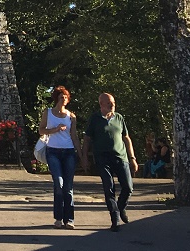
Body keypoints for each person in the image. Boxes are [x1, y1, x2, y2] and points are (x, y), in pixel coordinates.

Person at [80, 92, 139, 231]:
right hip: (102, 157)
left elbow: (126, 138)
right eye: (109, 103)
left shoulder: (119, 118)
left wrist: (132, 158)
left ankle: (120, 207)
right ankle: (115, 218)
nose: (112, 105)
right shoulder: (95, 119)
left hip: (120, 157)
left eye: (113, 102)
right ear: (101, 104)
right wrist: (84, 158)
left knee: (128, 187)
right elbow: (87, 139)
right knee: (109, 186)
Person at [40, 85, 79, 229]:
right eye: (61, 97)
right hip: (53, 151)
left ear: (68, 100)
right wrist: (55, 129)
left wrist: (80, 154)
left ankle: (69, 219)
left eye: (66, 97)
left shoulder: (71, 116)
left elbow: (74, 137)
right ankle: (58, 218)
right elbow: (41, 130)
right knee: (59, 183)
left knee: (68, 187)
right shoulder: (48, 113)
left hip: (68, 151)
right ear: (56, 98)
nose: (63, 99)